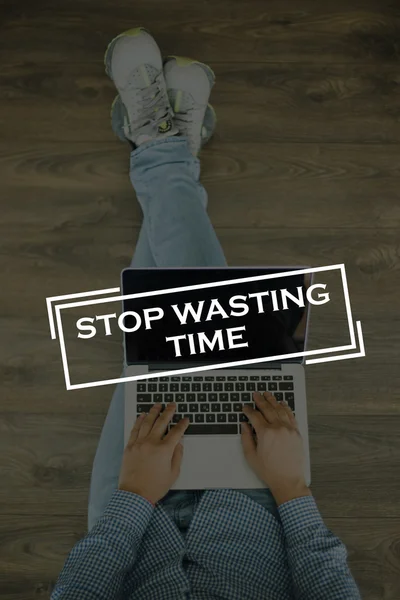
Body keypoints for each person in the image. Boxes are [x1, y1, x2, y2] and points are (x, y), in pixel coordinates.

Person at [51, 28, 361, 600]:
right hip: (256, 490)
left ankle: (164, 147)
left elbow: (78, 590)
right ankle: (163, 149)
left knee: (174, 319)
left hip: (131, 518)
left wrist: (132, 499)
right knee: (207, 313)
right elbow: (327, 582)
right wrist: (291, 487)